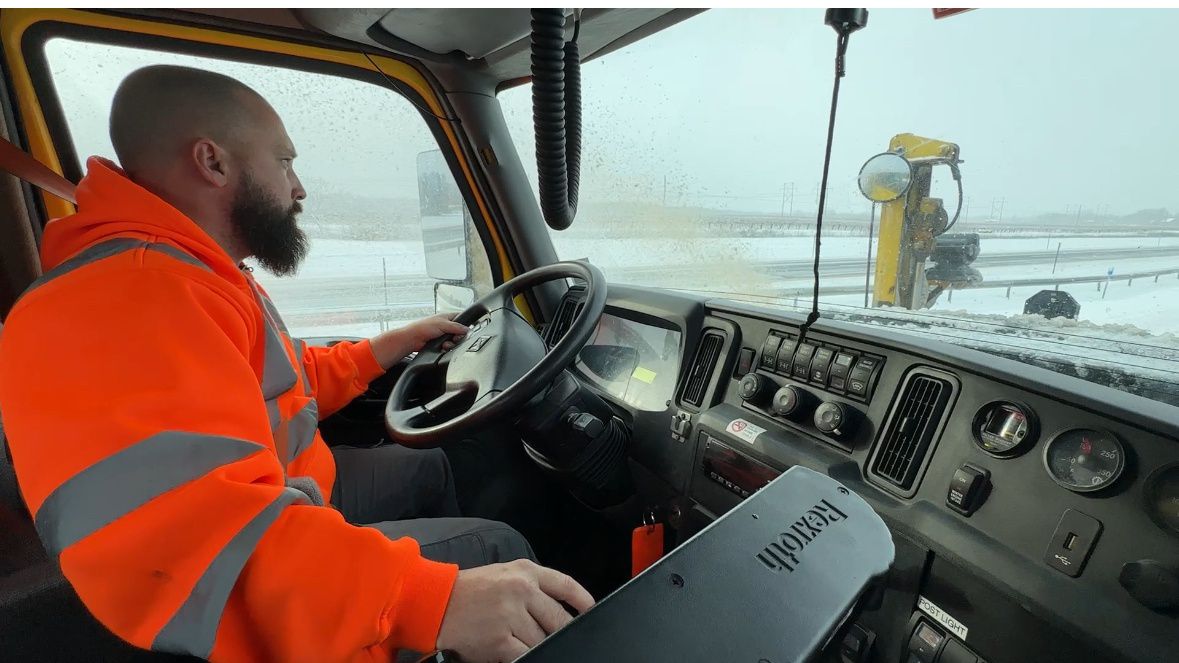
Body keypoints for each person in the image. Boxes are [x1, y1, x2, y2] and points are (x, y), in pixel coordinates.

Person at [0, 65, 593, 663]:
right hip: (263, 549)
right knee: (499, 549)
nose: (299, 187)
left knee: (448, 462)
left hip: (296, 487)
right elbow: (205, 549)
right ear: (213, 162)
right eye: (284, 163)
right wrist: (431, 602)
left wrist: (382, 349)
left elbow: (273, 383)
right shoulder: (129, 301)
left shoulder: (189, 275)